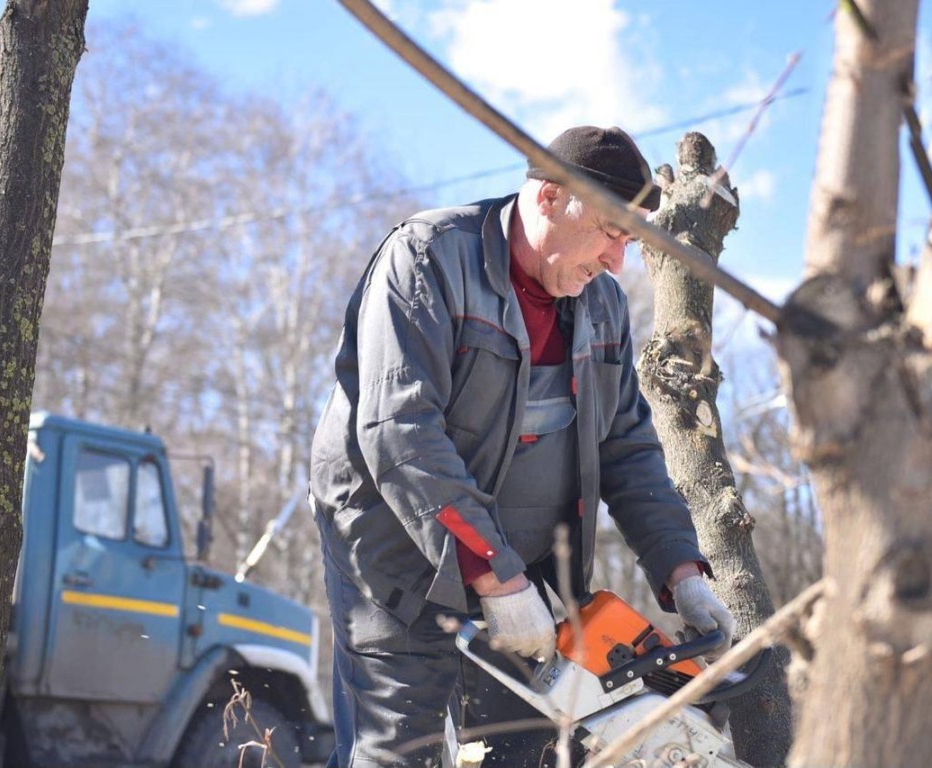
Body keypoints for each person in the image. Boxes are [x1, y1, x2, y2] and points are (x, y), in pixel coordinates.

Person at [309, 125, 736, 767]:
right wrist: (489, 567)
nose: (617, 262)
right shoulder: (428, 259)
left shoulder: (601, 306)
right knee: (404, 747)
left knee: (528, 749)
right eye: (611, 232)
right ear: (548, 198)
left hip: (522, 565)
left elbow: (626, 448)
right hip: (396, 554)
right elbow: (401, 429)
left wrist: (682, 569)